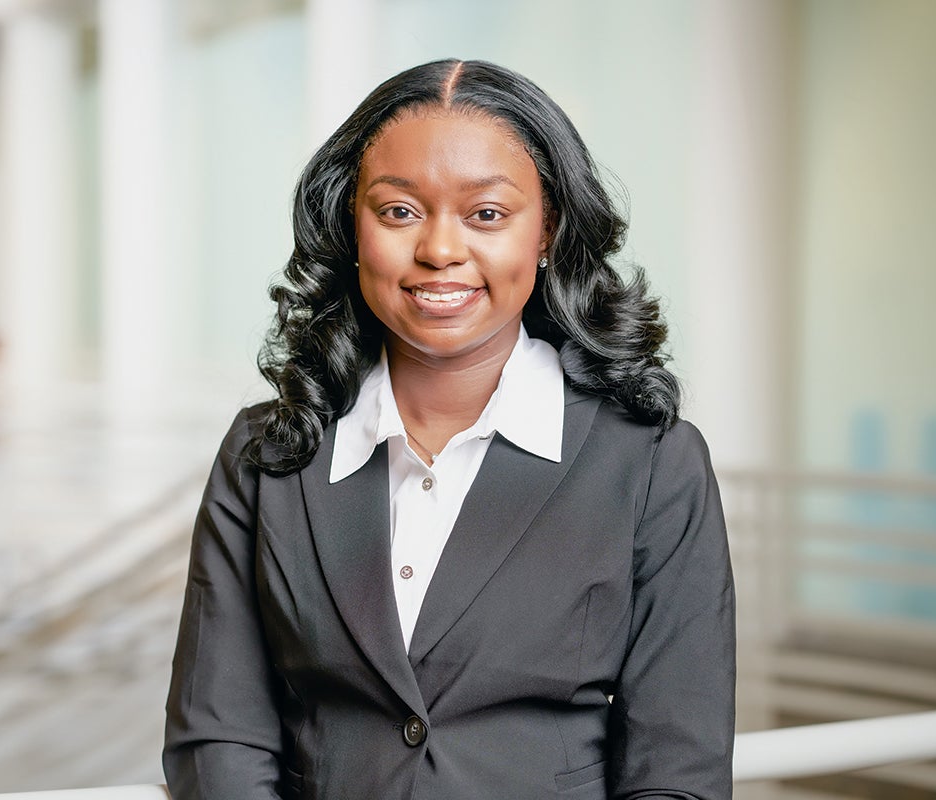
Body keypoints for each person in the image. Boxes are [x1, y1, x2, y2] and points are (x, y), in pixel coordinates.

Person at [163, 59, 735, 800]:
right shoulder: (268, 453)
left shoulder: (652, 463)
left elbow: (678, 770)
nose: (439, 249)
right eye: (399, 211)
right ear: (351, 226)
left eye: (487, 214)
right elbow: (219, 737)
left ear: (548, 230)